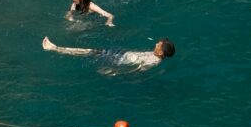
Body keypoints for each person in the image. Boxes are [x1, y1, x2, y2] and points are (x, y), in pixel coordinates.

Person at [41, 36, 174, 71]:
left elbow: (136, 69)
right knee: (90, 51)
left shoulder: (154, 61)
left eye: (158, 45)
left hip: (116, 60)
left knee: (88, 52)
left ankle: (55, 48)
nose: (156, 44)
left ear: (161, 52)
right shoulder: (154, 55)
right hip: (118, 56)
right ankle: (56, 48)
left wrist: (113, 70)